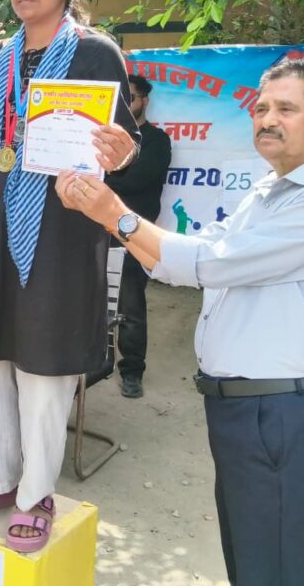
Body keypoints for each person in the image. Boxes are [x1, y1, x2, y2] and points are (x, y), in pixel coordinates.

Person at [56, 59, 304, 585]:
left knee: (274, 569)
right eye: (261, 108)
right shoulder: (270, 190)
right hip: (248, 409)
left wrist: (114, 214)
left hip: (281, 412)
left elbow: (209, 264)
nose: (268, 119)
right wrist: (111, 219)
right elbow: (191, 255)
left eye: (286, 109)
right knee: (250, 561)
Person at [0, 0, 139, 553]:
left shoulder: (95, 53)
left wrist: (120, 152)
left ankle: (35, 493)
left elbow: (122, 144)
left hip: (60, 231)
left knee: (44, 365)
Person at [105, 74, 171, 398]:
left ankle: (132, 371)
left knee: (130, 305)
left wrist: (100, 179)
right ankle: (96, 362)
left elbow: (136, 180)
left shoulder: (156, 140)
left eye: (130, 97)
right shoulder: (104, 138)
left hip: (133, 234)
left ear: (145, 100)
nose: (126, 103)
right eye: (120, 98)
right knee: (89, 299)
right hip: (94, 228)